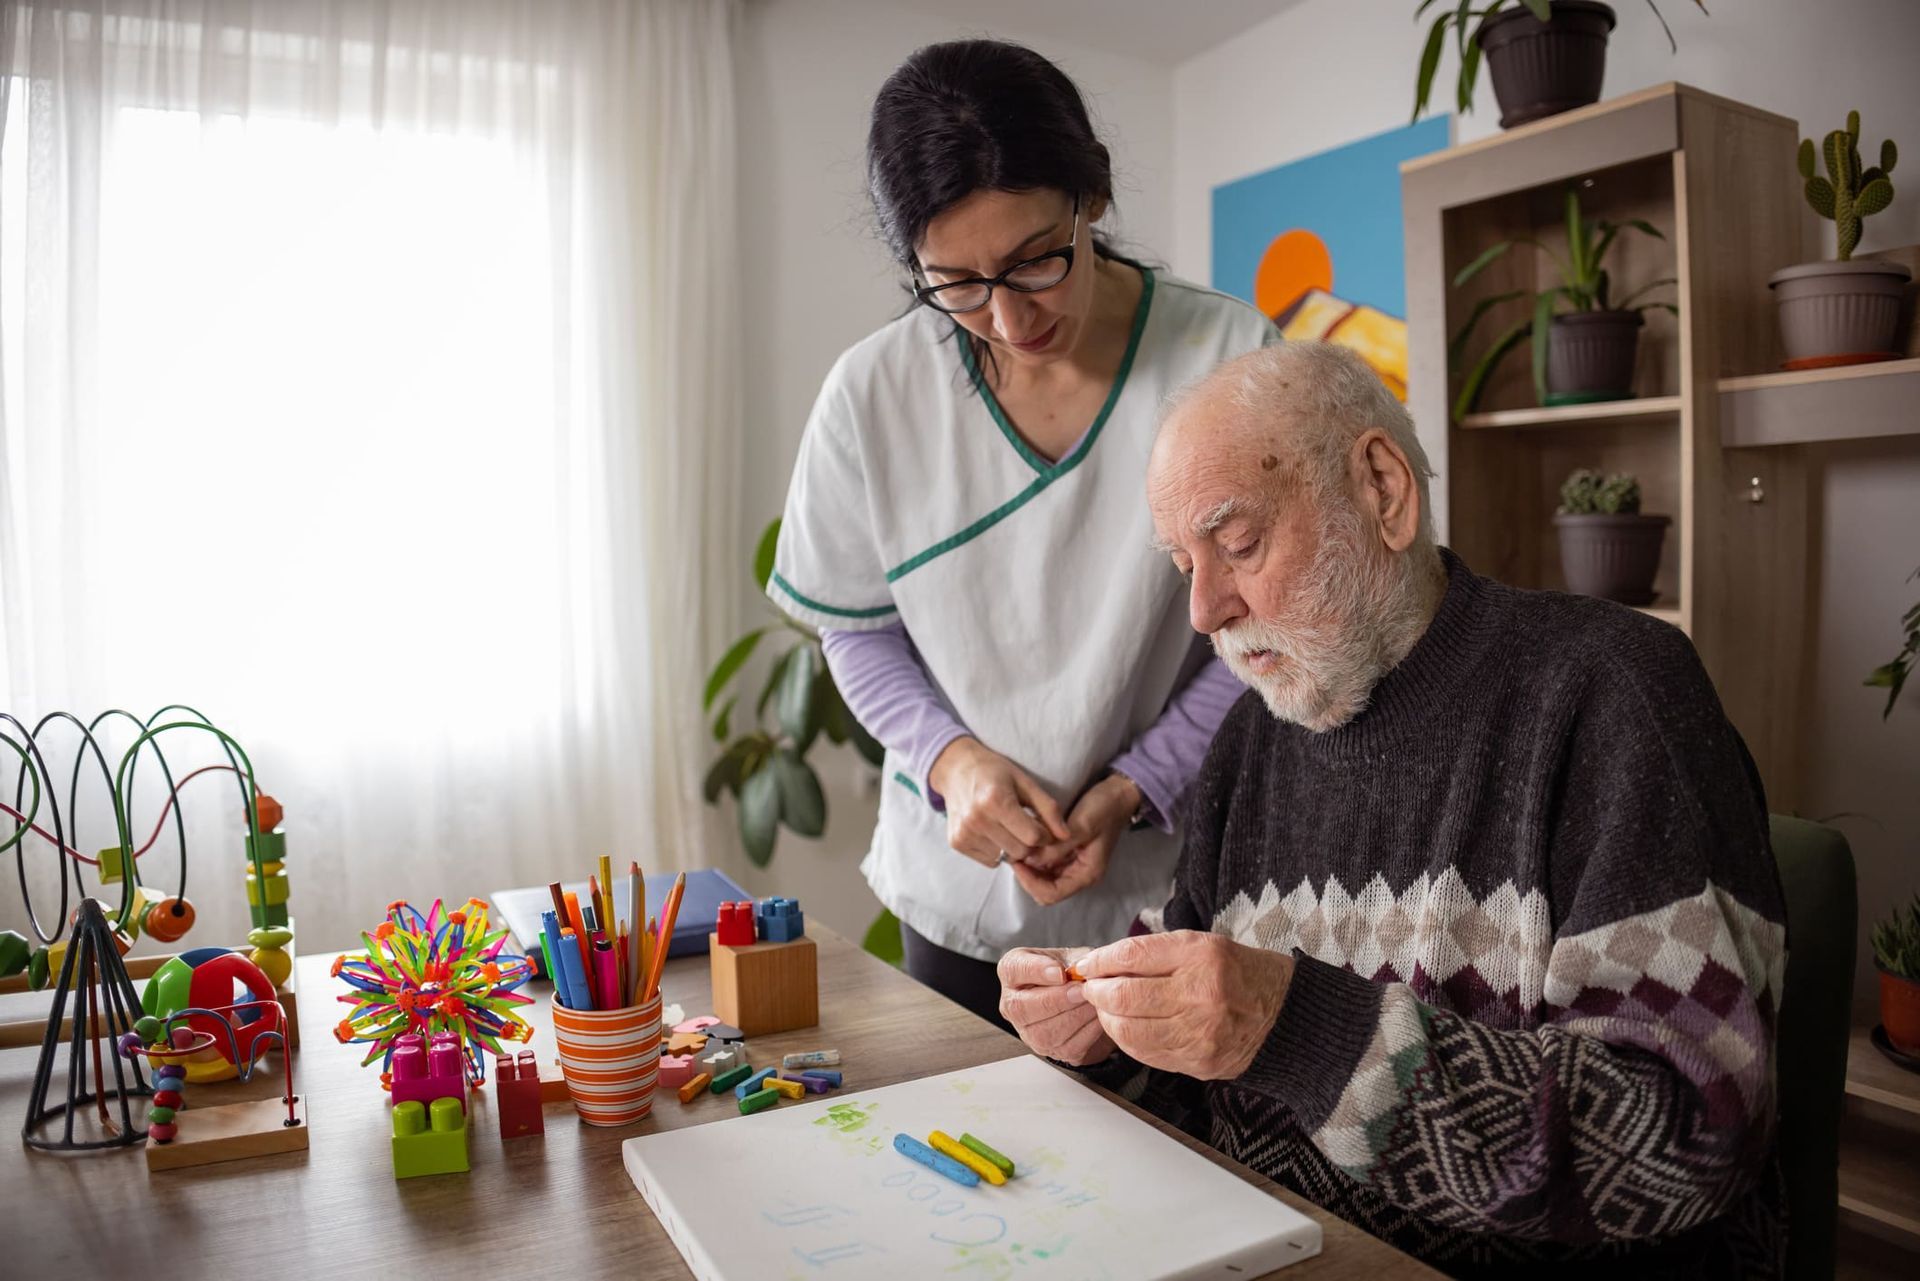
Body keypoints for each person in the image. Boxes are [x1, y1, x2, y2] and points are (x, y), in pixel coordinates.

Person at [998, 342, 1787, 1276]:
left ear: (1382, 489)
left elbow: (1688, 1134)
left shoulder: (1613, 699)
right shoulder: (1249, 744)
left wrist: (1296, 1029)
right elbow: (1209, 1077)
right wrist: (1113, 1033)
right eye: (1183, 564)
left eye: (1239, 544)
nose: (1205, 609)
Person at [768, 40, 1276, 1027]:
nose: (1005, 317)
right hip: (958, 898)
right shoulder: (874, 395)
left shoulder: (1229, 362)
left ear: (1094, 195)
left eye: (1035, 261)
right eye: (953, 283)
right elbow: (858, 631)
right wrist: (952, 764)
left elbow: (1264, 625)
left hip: (1170, 887)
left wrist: (1137, 783)